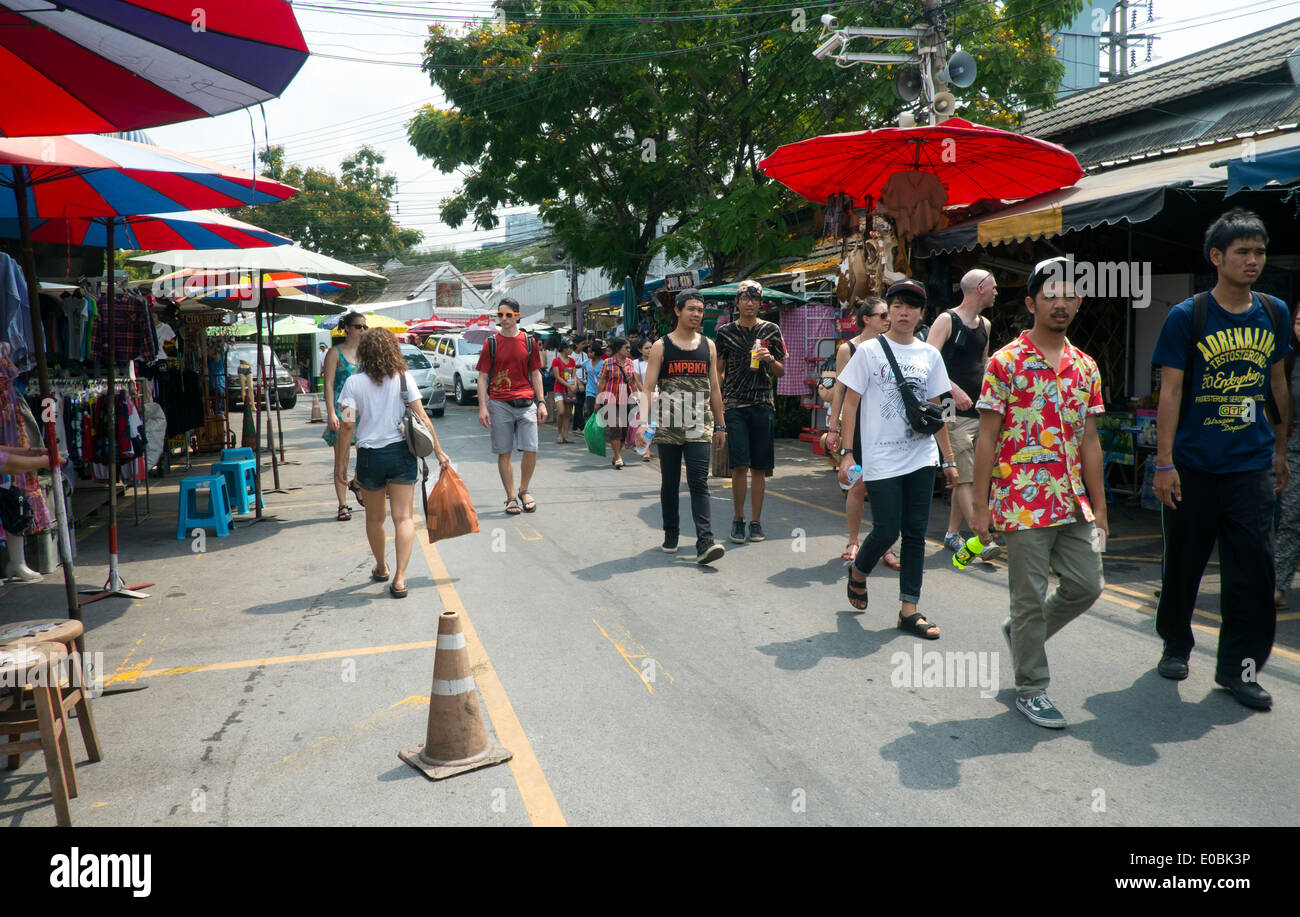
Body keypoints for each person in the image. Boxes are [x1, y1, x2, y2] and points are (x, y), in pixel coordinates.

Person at [1150, 209, 1290, 710]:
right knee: (1184, 565)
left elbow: (1276, 384)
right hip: (1192, 466)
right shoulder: (1189, 316)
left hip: (1250, 467)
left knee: (1253, 573)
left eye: (1259, 252)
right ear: (1217, 258)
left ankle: (1240, 670)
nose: (1253, 261)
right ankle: (1175, 643)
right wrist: (1164, 464)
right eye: (1242, 253)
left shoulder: (1274, 312)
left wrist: (1278, 448)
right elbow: (1170, 392)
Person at [970, 258, 1107, 728]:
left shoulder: (1086, 367)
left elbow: (1090, 441)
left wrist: (1102, 511)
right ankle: (1032, 688)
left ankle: (1021, 636)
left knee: (1088, 585)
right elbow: (986, 436)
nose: (1061, 302)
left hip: (1071, 500)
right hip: (1021, 497)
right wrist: (979, 506)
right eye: (1050, 294)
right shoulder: (1005, 362)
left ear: (1080, 302)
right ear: (1031, 303)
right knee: (1028, 598)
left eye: (1069, 294)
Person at [838, 279, 958, 638]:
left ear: (922, 314)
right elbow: (851, 402)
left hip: (922, 455)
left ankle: (909, 610)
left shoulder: (930, 355)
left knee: (916, 533)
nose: (904, 312)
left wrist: (949, 459)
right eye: (898, 305)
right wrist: (846, 453)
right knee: (887, 529)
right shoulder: (870, 351)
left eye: (912, 306)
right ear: (887, 312)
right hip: (881, 456)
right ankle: (859, 571)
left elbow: (941, 409)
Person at [335, 328, 449, 599]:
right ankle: (400, 578)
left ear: (365, 352)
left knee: (375, 518)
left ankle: (381, 566)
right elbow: (422, 417)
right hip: (401, 453)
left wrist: (342, 463)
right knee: (404, 518)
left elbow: (348, 425)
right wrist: (439, 451)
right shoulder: (403, 379)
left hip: (370, 456)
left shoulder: (354, 383)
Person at [639, 288, 727, 565]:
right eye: (691, 309)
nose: (696, 314)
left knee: (699, 481)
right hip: (669, 424)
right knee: (670, 483)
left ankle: (705, 541)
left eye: (700, 310)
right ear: (677, 311)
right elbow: (648, 387)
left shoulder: (708, 346)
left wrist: (721, 426)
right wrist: (643, 422)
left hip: (699, 425)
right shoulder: (661, 346)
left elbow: (714, 387)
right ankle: (671, 533)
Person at [927, 268, 1003, 561]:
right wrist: (953, 389)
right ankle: (982, 538)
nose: (997, 292)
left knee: (967, 472)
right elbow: (928, 361)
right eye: (993, 287)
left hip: (978, 408)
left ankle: (951, 533)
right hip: (948, 407)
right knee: (963, 471)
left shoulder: (985, 324)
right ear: (980, 288)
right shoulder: (947, 319)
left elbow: (982, 364)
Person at [827, 297, 900, 569]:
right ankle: (854, 540)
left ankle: (887, 546)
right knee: (857, 487)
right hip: (856, 427)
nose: (887, 319)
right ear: (866, 319)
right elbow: (840, 391)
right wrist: (833, 428)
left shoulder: (894, 346)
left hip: (887, 426)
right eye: (882, 315)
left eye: (887, 314)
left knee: (888, 488)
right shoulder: (849, 349)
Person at [715, 279, 786, 544]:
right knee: (739, 466)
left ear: (760, 303)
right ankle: (738, 518)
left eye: (754, 299)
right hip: (734, 404)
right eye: (744, 298)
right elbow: (719, 371)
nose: (749, 303)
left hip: (762, 404)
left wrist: (769, 359)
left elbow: (781, 371)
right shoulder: (725, 332)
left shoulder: (771, 330)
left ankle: (756, 521)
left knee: (759, 468)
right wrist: (717, 406)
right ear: (737, 302)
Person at [477, 297, 547, 515]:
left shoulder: (529, 342)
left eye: (508, 315)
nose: (504, 319)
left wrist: (542, 402)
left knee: (531, 448)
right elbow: (482, 376)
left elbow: (535, 373)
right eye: (500, 315)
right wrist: (483, 407)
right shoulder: (491, 343)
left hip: (526, 402)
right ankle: (510, 497)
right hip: (499, 403)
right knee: (504, 452)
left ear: (517, 316)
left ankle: (524, 490)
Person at [323, 311, 365, 521]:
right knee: (342, 459)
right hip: (344, 409)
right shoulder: (335, 353)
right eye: (358, 326)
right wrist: (331, 411)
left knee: (366, 455)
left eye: (364, 327)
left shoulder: (367, 353)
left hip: (364, 410)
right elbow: (329, 385)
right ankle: (342, 505)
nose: (362, 330)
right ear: (347, 328)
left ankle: (357, 482)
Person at [1272, 307, 1300, 609]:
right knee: (1291, 516)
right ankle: (1278, 585)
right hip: (1295, 444)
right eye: (1298, 321)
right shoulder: (1288, 360)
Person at [598, 336, 640, 468]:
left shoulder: (631, 363)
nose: (629, 350)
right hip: (610, 399)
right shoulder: (607, 362)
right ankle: (618, 457)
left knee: (624, 430)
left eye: (629, 347)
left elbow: (633, 382)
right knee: (615, 427)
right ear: (618, 349)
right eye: (626, 348)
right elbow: (603, 382)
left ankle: (616, 454)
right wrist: (597, 400)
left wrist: (637, 396)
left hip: (627, 400)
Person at [550, 339, 579, 444]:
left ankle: (566, 435)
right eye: (569, 348)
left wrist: (574, 385)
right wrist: (569, 386)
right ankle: (559, 433)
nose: (571, 350)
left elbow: (574, 375)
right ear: (564, 348)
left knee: (567, 414)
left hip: (570, 390)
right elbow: (557, 377)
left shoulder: (572, 361)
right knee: (561, 412)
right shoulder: (556, 361)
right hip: (559, 389)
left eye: (571, 348)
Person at [633, 338, 654, 461]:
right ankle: (646, 449)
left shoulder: (657, 361)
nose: (649, 350)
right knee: (645, 423)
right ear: (640, 350)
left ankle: (648, 447)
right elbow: (637, 381)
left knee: (654, 423)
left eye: (651, 347)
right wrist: (646, 394)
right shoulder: (636, 363)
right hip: (643, 395)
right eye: (646, 348)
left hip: (658, 394)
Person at [582, 340, 605, 430]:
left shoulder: (603, 363)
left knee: (600, 413)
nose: (589, 354)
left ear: (597, 351)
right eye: (588, 352)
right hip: (590, 391)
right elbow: (577, 366)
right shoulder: (587, 362)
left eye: (591, 352)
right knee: (591, 411)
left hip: (601, 391)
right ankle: (592, 430)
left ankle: (599, 430)